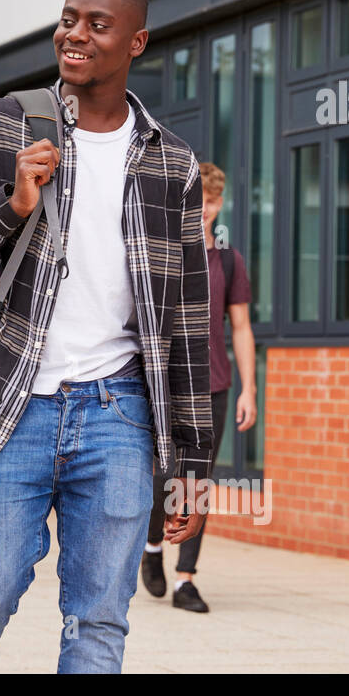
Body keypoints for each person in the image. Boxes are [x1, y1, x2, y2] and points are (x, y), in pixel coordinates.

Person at [0, 0, 214, 673]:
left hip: (120, 414)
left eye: (96, 24)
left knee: (99, 617)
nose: (74, 33)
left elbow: (190, 324)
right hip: (12, 405)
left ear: (136, 41)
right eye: (68, 17)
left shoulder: (172, 165)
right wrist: (7, 210)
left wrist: (191, 466)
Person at [142, 161, 257, 612]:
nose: (206, 209)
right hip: (165, 385)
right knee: (160, 476)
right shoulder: (164, 252)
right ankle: (153, 546)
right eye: (200, 200)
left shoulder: (229, 260)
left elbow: (242, 327)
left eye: (213, 201)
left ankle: (186, 579)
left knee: (197, 483)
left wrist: (249, 388)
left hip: (214, 384)